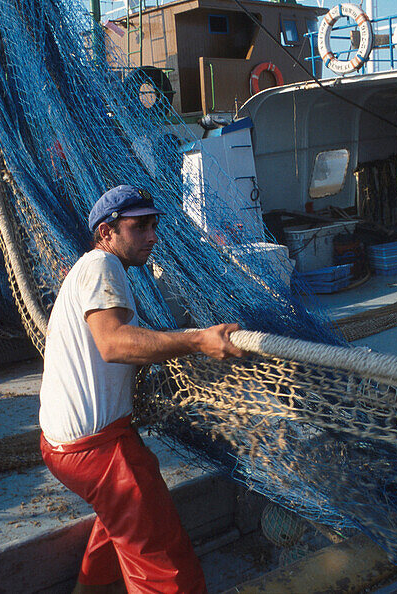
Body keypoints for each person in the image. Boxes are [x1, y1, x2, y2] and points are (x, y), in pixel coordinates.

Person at [39, 185, 244, 594]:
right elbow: (113, 343)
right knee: (164, 563)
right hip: (94, 449)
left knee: (121, 523)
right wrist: (197, 341)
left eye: (153, 225)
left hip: (63, 445)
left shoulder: (90, 268)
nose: (152, 236)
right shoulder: (102, 266)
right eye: (139, 227)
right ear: (106, 232)